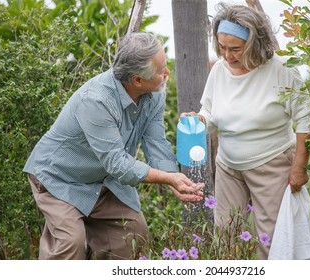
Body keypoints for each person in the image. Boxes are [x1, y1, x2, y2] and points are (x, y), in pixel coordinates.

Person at [23, 32, 204, 260]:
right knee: (70, 243)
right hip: (60, 179)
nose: (167, 73)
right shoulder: (96, 100)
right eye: (161, 70)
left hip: (103, 181)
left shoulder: (154, 94)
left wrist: (172, 177)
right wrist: (167, 179)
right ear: (137, 80)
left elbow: (155, 140)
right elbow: (117, 163)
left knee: (134, 235)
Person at [181, 3, 310, 260]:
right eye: (222, 47)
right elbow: (209, 112)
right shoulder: (220, 70)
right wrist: (198, 119)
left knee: (272, 241)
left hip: (271, 165)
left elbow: (305, 119)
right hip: (229, 167)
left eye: (235, 49)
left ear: (254, 43)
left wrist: (300, 167)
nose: (227, 55)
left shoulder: (281, 69)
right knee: (225, 238)